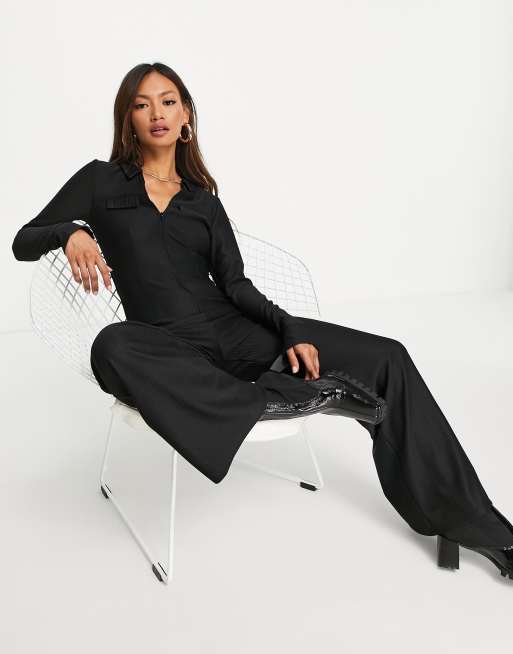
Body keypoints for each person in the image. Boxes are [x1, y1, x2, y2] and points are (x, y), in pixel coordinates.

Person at [11, 62, 513, 582]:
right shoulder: (100, 181)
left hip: (236, 333)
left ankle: (475, 523)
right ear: (128, 119)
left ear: (186, 116)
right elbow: (24, 240)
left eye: (168, 101)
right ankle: (273, 399)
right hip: (168, 349)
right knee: (111, 346)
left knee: (390, 357)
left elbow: (236, 285)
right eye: (142, 104)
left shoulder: (202, 199)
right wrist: (70, 231)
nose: (156, 112)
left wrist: (291, 330)